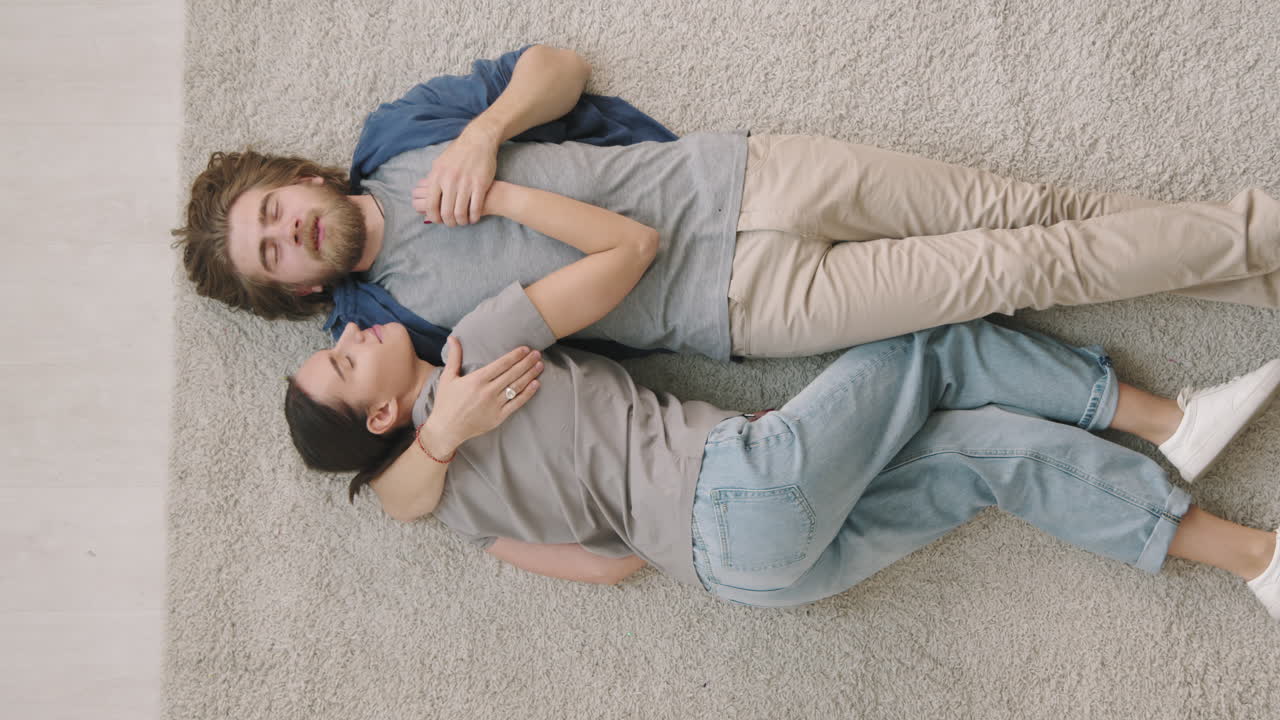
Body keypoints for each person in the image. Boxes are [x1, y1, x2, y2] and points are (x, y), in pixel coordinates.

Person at [281, 172, 1280, 618]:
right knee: (924, 337)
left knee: (990, 459)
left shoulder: (453, 515)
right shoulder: (467, 354)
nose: (350, 334)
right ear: (377, 415)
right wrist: (495, 195)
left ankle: (1255, 560)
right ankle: (1172, 421)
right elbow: (629, 248)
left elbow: (608, 570)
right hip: (735, 488)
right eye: (341, 362)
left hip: (753, 581)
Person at [175, 44, 1280, 369]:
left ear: (302, 177)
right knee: (1012, 269)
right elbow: (411, 464)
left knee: (1037, 206)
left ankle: (1257, 266)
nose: (287, 233)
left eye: (274, 209)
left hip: (745, 173)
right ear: (295, 288)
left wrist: (480, 132)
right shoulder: (384, 331)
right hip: (742, 305)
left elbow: (554, 64)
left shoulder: (397, 137)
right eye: (270, 255)